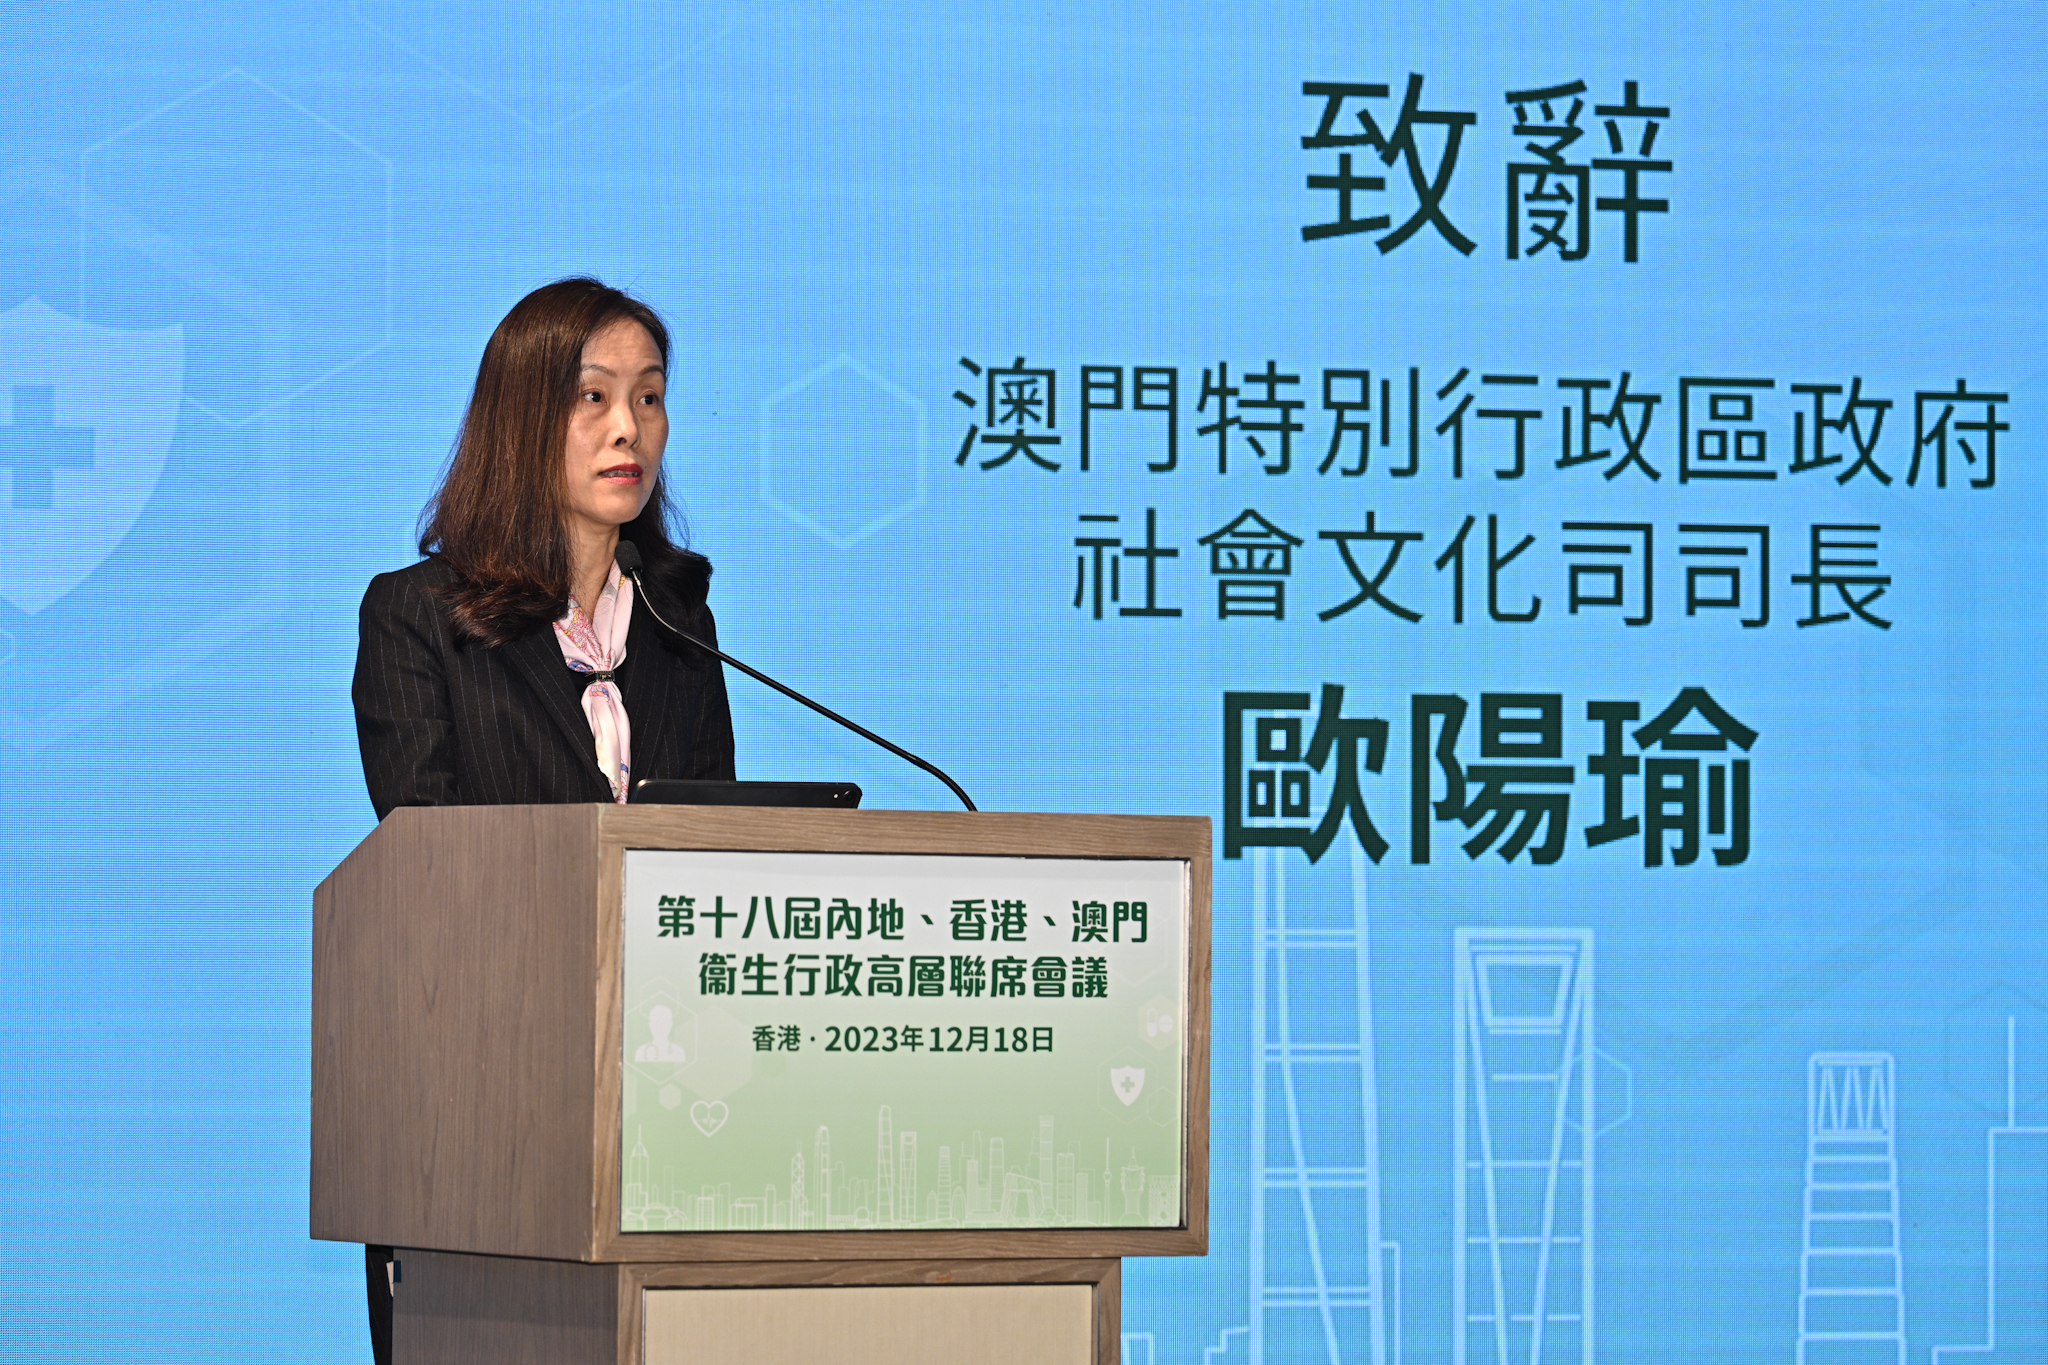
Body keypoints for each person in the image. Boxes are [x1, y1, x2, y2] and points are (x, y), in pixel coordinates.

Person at [349, 277, 734, 1362]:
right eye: (592, 397)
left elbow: (715, 853)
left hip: (664, 1111)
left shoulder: (679, 623)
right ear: (522, 418)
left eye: (649, 396)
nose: (629, 428)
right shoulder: (419, 618)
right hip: (483, 1109)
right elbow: (430, 862)